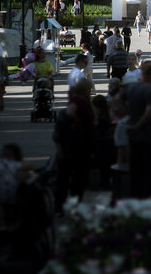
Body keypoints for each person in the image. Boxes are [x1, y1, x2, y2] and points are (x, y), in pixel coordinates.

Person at [52, 78, 96, 209]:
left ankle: (72, 204)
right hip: (76, 146)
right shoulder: (77, 101)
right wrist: (79, 124)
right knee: (71, 178)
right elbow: (70, 112)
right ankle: (65, 205)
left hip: (82, 146)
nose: (90, 92)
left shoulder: (84, 101)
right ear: (84, 89)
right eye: (89, 89)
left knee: (77, 178)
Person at [124, 61, 151, 198]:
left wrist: (129, 121)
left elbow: (118, 104)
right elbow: (149, 113)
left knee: (135, 169)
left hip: (134, 137)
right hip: (149, 136)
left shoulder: (131, 88)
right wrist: (137, 125)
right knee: (150, 171)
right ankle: (148, 199)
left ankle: (135, 197)